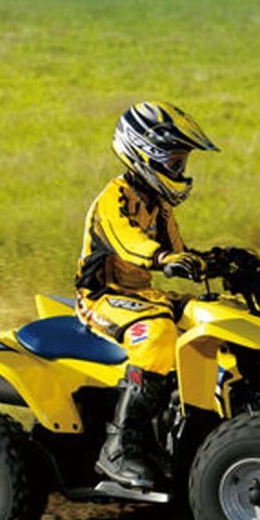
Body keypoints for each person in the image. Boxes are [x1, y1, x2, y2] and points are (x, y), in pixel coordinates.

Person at [75, 101, 218, 489]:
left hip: (143, 295)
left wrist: (221, 262)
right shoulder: (114, 200)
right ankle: (119, 448)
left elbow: (179, 252)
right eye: (175, 162)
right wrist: (163, 259)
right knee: (156, 337)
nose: (180, 171)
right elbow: (130, 244)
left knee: (210, 317)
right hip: (101, 297)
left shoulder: (160, 205)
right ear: (145, 155)